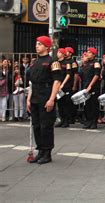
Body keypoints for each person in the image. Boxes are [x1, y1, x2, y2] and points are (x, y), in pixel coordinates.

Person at [26, 36, 62, 164]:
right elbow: (32, 82)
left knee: (45, 126)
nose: (37, 46)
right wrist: (29, 99)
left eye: (40, 44)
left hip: (46, 96)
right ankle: (40, 150)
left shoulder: (53, 62)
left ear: (47, 47)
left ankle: (47, 153)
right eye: (36, 44)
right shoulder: (35, 62)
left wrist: (51, 99)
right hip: (35, 96)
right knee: (36, 126)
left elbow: (57, 81)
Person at [79, 48, 101, 129]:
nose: (87, 54)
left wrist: (90, 86)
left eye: (89, 52)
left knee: (93, 105)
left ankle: (94, 122)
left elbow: (96, 75)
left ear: (93, 54)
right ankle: (88, 121)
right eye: (87, 52)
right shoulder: (85, 64)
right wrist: (82, 64)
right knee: (87, 105)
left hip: (93, 88)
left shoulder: (96, 63)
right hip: (85, 87)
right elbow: (81, 75)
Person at [55, 48, 74, 128]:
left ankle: (66, 121)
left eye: (59, 52)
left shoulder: (67, 63)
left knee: (66, 104)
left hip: (65, 86)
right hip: (57, 86)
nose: (57, 53)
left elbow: (68, 74)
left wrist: (63, 84)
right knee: (60, 104)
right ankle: (62, 120)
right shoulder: (56, 63)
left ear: (63, 54)